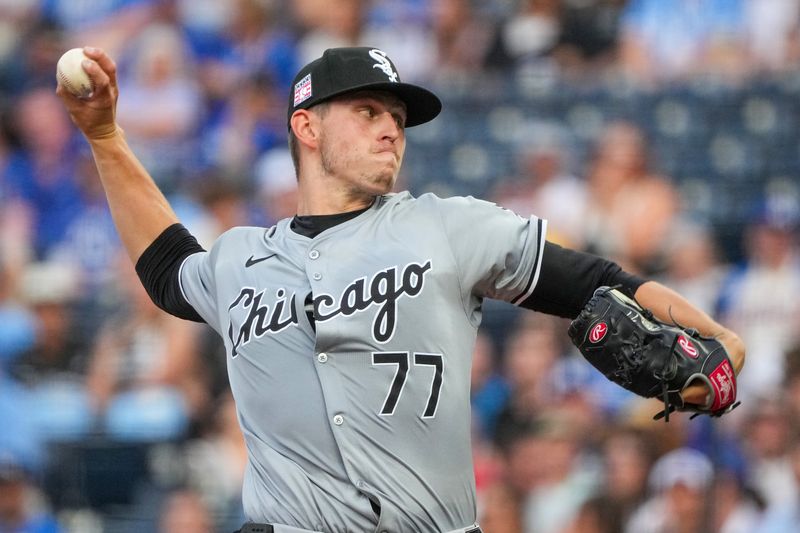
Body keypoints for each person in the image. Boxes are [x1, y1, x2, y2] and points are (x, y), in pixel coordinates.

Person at [57, 45, 745, 533]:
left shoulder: (446, 226)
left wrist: (716, 334)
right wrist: (107, 137)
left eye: (397, 114)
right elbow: (167, 269)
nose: (392, 126)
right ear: (307, 125)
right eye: (366, 110)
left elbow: (599, 280)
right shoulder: (240, 258)